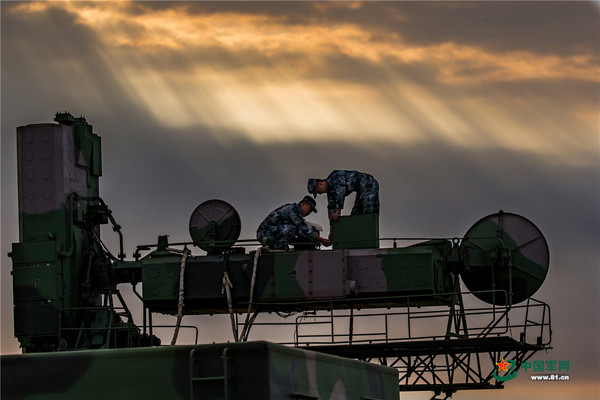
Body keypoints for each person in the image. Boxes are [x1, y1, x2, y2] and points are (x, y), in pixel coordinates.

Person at [256, 196, 331, 249]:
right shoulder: (294, 210)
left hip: (269, 232)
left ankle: (279, 245)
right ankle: (279, 246)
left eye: (311, 211)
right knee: (295, 229)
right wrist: (321, 239)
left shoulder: (292, 208)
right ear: (303, 204)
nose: (309, 212)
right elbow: (303, 228)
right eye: (309, 208)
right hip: (265, 233)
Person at [307, 170, 379, 224]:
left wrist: (338, 212)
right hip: (360, 191)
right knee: (355, 216)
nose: (319, 193)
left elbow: (340, 192)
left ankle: (370, 237)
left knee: (369, 213)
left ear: (320, 184)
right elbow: (331, 208)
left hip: (369, 185)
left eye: (318, 191)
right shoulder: (330, 192)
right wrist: (332, 228)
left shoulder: (335, 175)